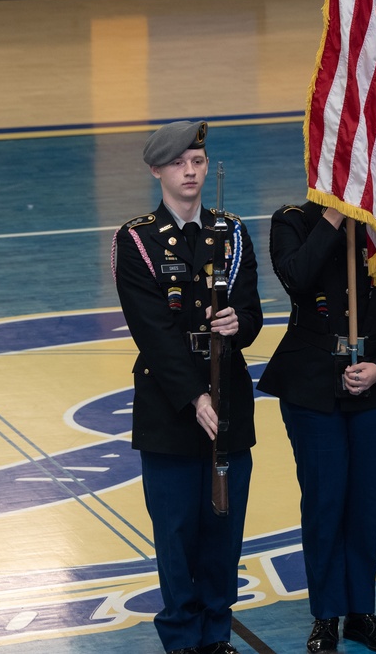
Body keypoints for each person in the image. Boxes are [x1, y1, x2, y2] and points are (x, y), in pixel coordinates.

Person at [112, 121, 263, 654]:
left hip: (230, 400)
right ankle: (181, 633)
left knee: (224, 527)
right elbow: (152, 333)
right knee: (176, 532)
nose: (191, 171)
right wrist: (195, 396)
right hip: (171, 406)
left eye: (197, 161)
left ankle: (217, 631)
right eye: (178, 163)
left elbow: (253, 312)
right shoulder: (137, 240)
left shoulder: (233, 230)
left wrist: (237, 325)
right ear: (157, 170)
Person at [257, 201, 376, 654]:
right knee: (325, 499)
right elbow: (297, 276)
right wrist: (334, 218)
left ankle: (361, 612)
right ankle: (326, 615)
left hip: (373, 380)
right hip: (311, 383)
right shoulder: (292, 220)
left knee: (366, 501)